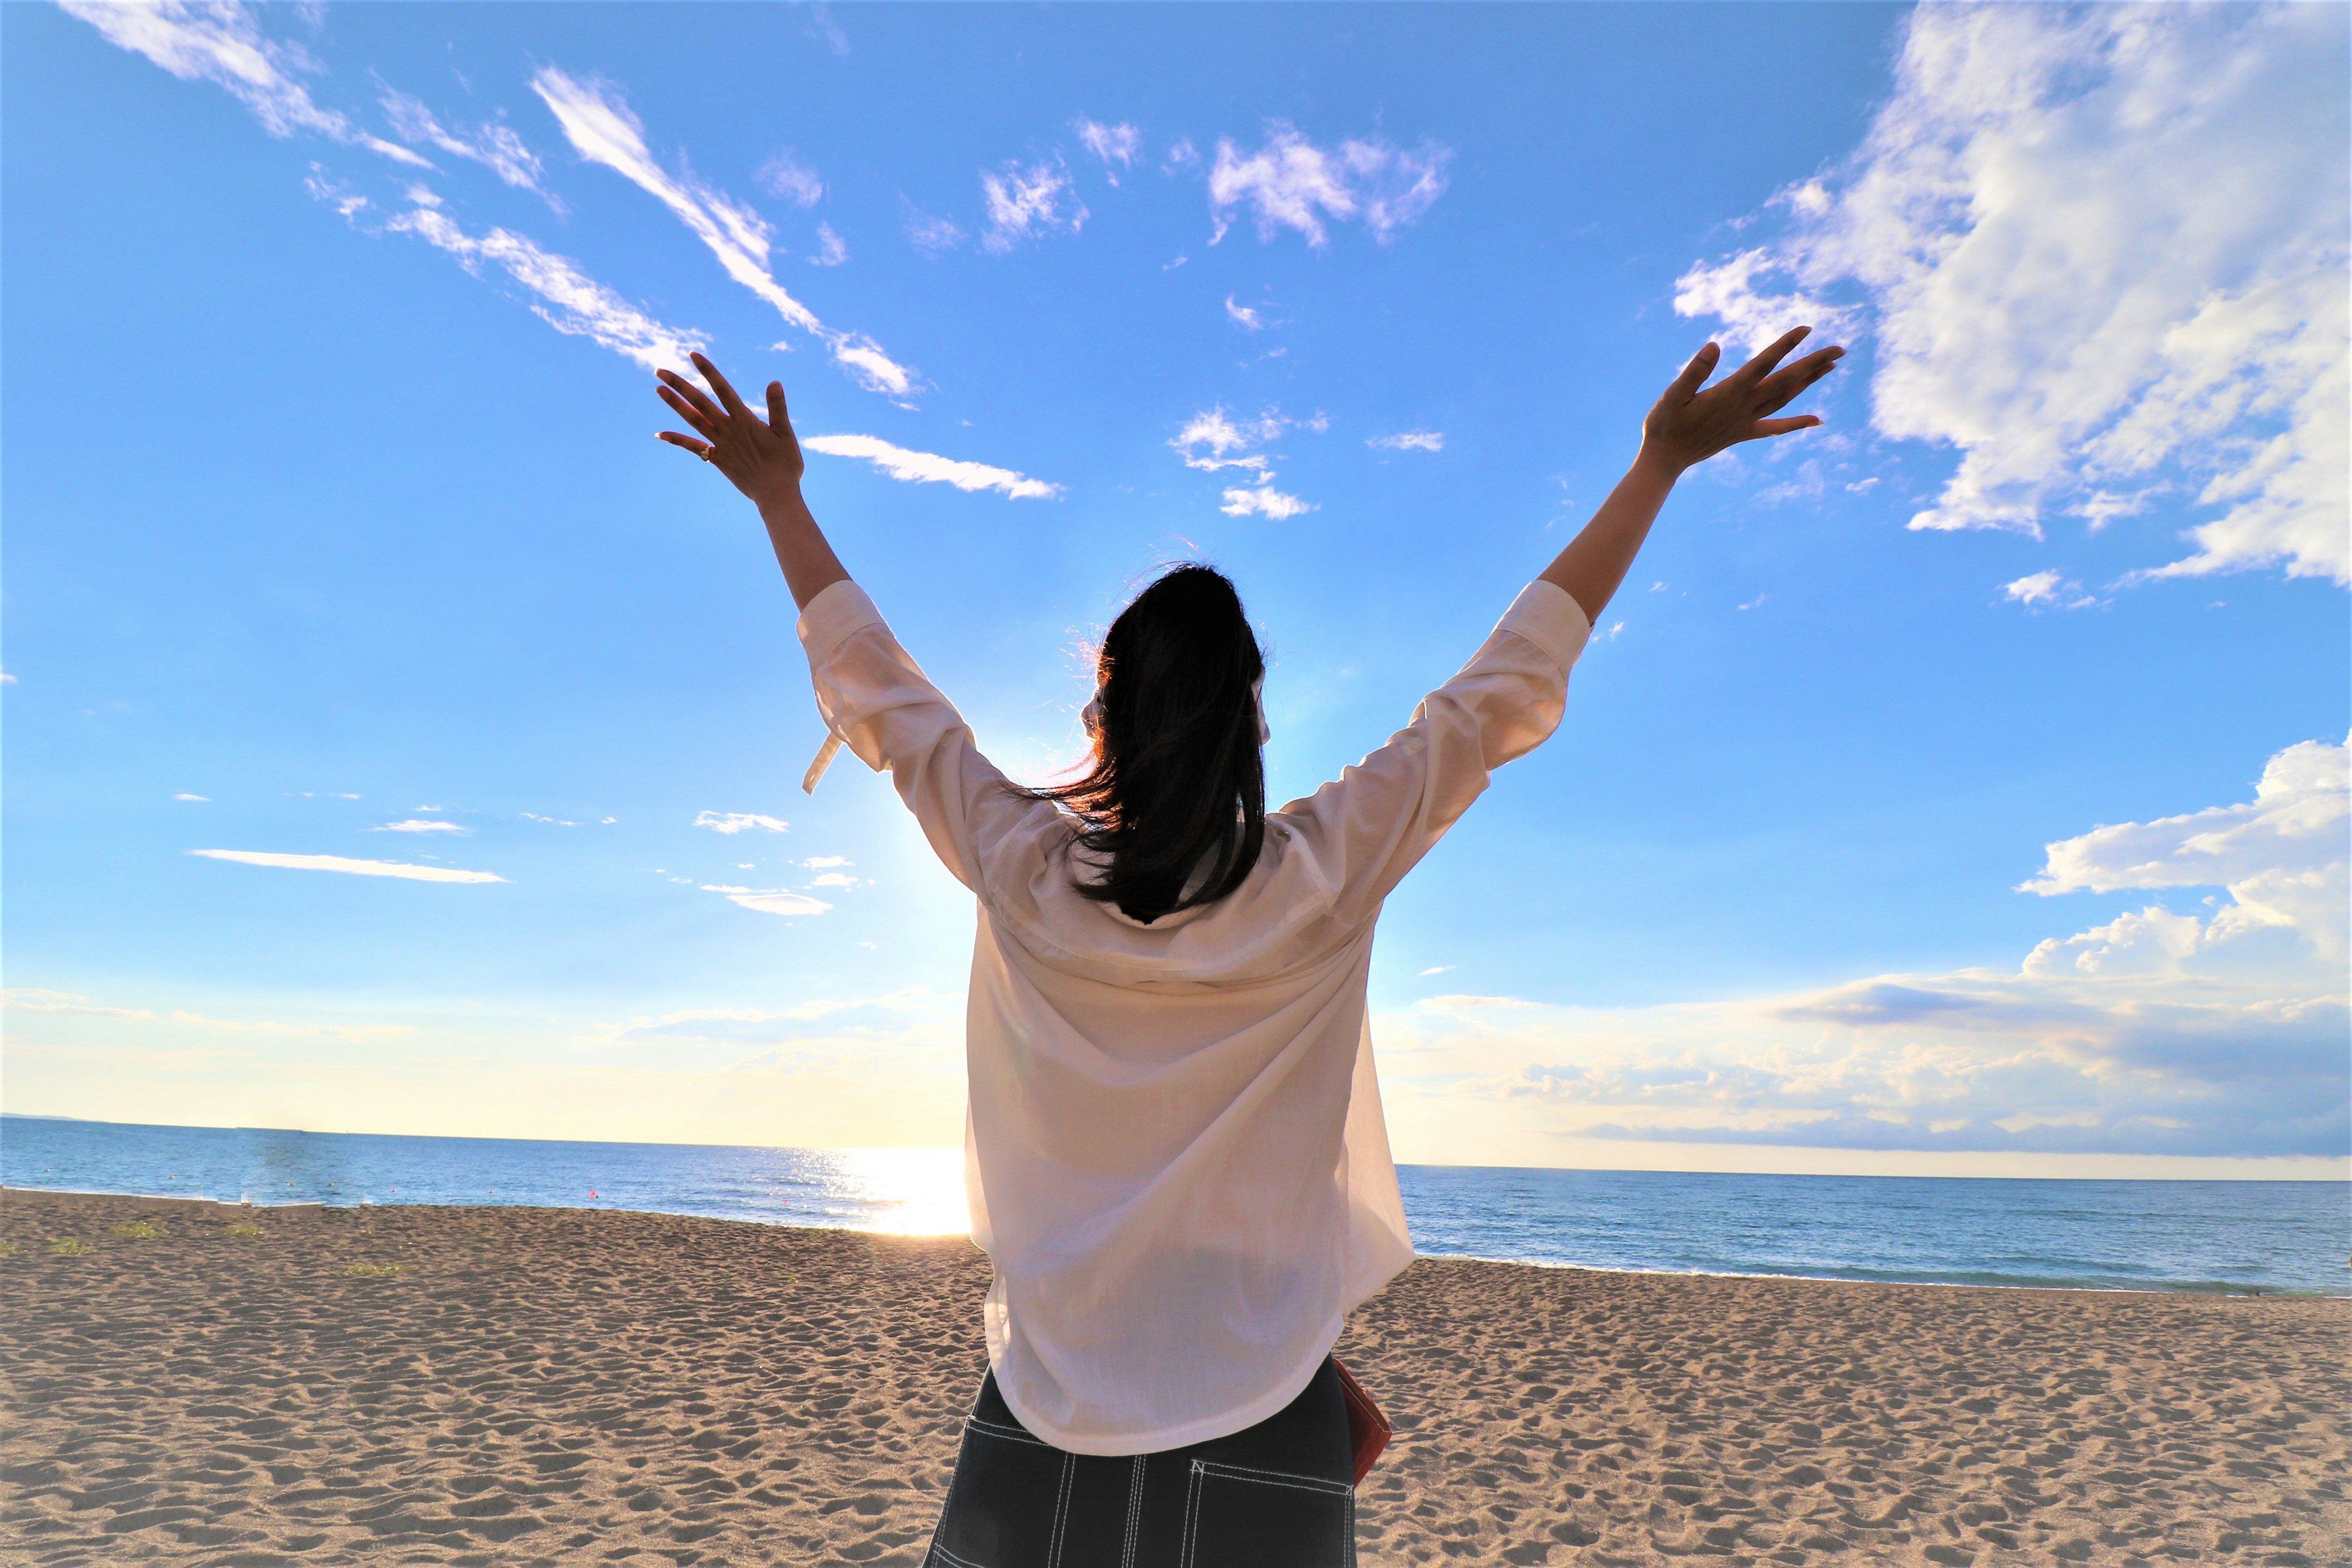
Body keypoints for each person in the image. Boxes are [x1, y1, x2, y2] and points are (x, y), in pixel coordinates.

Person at [654, 326, 1842, 1566]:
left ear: (1099, 712)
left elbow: (879, 686)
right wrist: (1656, 464)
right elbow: (1500, 690)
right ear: (1254, 718)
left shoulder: (1020, 866)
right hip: (1265, 1422)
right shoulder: (1322, 874)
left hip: (1045, 1415)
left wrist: (779, 497)